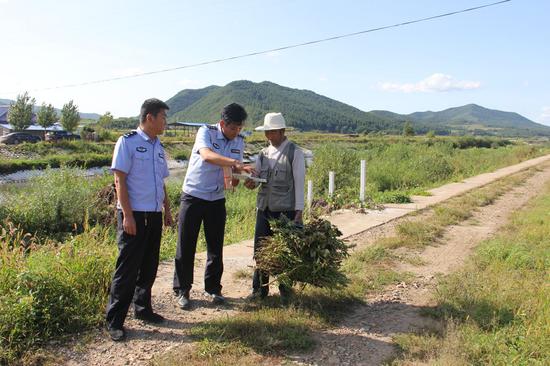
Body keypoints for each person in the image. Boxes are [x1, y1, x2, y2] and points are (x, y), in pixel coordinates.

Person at [105, 98, 173, 342]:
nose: (165, 122)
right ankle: (115, 321)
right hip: (134, 215)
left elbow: (161, 182)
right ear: (150, 118)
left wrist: (167, 210)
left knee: (149, 266)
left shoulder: (158, 146)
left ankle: (143, 310)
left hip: (153, 214)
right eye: (163, 117)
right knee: (127, 269)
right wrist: (128, 215)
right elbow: (119, 180)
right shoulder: (127, 142)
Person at [173, 103, 253, 310]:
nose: (236, 133)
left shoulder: (239, 141)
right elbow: (207, 156)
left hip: (216, 199)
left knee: (215, 246)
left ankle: (213, 288)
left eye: (240, 129)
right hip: (194, 195)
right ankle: (182, 289)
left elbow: (233, 176)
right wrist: (234, 164)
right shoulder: (205, 132)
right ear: (222, 124)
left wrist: (242, 177)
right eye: (233, 128)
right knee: (186, 244)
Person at [244, 112, 305, 301]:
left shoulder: (294, 152)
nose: (268, 136)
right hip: (264, 209)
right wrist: (251, 182)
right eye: (266, 132)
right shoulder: (263, 154)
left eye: (271, 132)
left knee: (284, 251)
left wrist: (299, 211)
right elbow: (257, 179)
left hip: (285, 211)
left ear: (281, 131)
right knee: (261, 251)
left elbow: (299, 183)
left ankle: (285, 290)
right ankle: (259, 290)